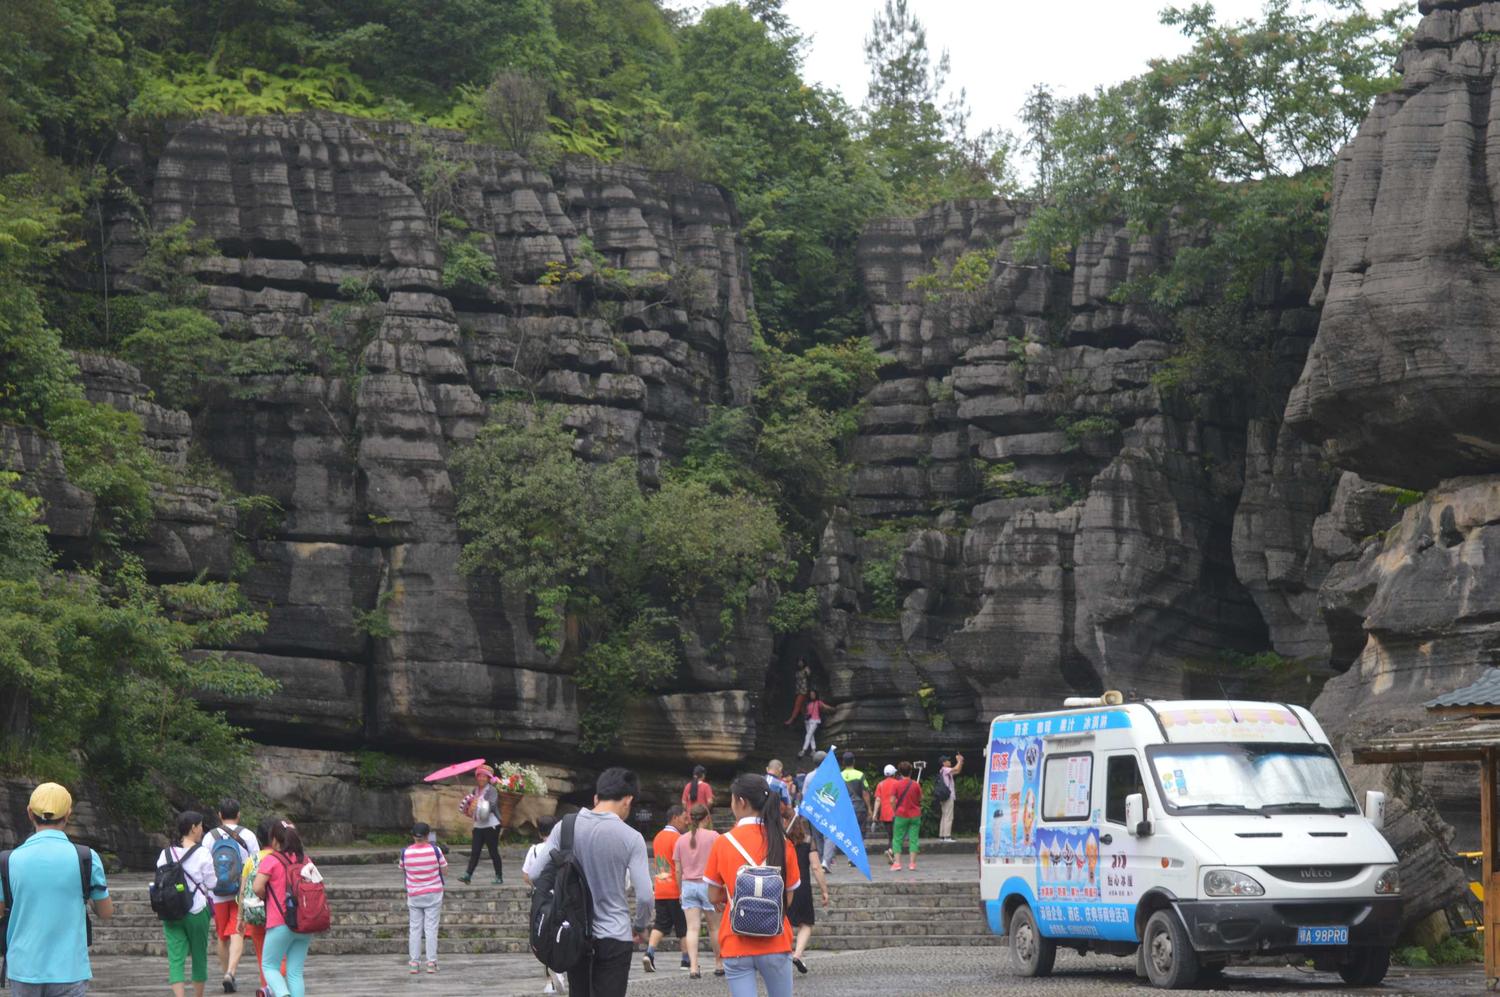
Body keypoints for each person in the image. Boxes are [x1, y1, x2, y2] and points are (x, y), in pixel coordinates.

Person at [541, 767, 653, 997]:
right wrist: (640, 927)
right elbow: (645, 896)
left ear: (596, 797)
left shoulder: (565, 827)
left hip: (575, 933)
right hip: (615, 934)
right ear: (628, 800)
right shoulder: (631, 837)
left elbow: (535, 873)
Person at [0, 782, 112, 997]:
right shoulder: (86, 857)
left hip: (24, 968)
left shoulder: (7, 861)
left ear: (30, 813)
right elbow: (105, 912)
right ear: (68, 814)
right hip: (69, 969)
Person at [703, 774, 800, 997]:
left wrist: (725, 899)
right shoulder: (783, 842)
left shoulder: (723, 842)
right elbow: (788, 898)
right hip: (776, 940)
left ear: (742, 801)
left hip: (736, 941)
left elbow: (713, 894)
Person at [158, 810, 218, 997]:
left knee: (176, 959)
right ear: (193, 828)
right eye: (200, 826)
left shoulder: (165, 853)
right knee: (199, 957)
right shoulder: (202, 853)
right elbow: (212, 883)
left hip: (171, 911)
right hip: (196, 910)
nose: (202, 830)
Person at [252, 820, 313, 997]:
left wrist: (264, 896)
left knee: (269, 966)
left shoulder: (271, 860)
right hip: (304, 923)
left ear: (274, 840)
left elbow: (257, 887)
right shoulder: (305, 859)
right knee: (295, 972)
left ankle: (282, 994)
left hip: (280, 921)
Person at [207, 798, 260, 994]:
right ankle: (231, 972)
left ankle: (227, 974)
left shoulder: (210, 837)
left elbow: (205, 866)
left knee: (222, 936)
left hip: (217, 893)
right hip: (241, 892)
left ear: (220, 815)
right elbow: (256, 863)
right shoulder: (248, 835)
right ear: (238, 815)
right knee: (238, 931)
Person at [673, 804, 722, 980]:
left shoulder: (680, 840)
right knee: (714, 927)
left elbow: (677, 870)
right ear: (706, 818)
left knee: (692, 928)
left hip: (688, 885)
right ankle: (719, 963)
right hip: (708, 885)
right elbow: (720, 863)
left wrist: (680, 890)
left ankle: (693, 967)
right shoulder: (714, 837)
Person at [643, 806, 692, 973]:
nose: (687, 822)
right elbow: (680, 867)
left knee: (660, 924)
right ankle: (686, 960)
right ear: (675, 818)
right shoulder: (678, 838)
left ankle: (649, 953)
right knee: (682, 926)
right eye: (684, 818)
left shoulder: (657, 837)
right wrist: (682, 890)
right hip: (675, 889)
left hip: (660, 887)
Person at [521, 817, 567, 995]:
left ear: (540, 832)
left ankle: (550, 980)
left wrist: (539, 887)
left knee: (544, 935)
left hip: (542, 900)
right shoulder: (561, 848)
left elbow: (527, 875)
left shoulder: (534, 850)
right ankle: (563, 970)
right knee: (562, 933)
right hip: (561, 897)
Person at [237, 818, 282, 997]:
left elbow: (242, 891)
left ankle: (266, 988)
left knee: (263, 958)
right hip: (277, 916)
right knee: (282, 956)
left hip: (255, 914)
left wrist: (240, 917)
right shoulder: (281, 858)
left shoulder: (252, 860)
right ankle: (276, 988)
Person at [398, 822, 447, 974]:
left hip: (414, 895)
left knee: (415, 929)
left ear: (413, 835)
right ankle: (431, 963)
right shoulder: (435, 850)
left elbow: (402, 868)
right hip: (433, 894)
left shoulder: (405, 852)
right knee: (431, 929)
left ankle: (414, 962)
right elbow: (445, 870)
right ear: (428, 835)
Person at [785, 818, 828, 975]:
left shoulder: (782, 842)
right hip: (802, 886)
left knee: (785, 922)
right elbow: (816, 867)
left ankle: (784, 953)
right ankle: (797, 955)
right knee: (806, 923)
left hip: (784, 886)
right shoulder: (809, 841)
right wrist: (824, 890)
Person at [824, 754, 870, 872]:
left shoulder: (838, 775)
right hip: (859, 807)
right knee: (858, 832)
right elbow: (865, 793)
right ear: (853, 761)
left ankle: (831, 859)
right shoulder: (860, 775)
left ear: (843, 762)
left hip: (843, 809)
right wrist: (869, 808)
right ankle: (853, 858)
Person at [460, 765, 502, 884]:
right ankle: (468, 875)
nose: (481, 778)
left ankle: (499, 876)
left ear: (488, 778)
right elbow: (472, 807)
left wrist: (479, 803)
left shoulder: (492, 790)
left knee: (493, 851)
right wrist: (469, 804)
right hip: (478, 825)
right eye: (479, 776)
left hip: (491, 825)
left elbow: (492, 805)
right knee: (475, 851)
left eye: (484, 776)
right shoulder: (475, 790)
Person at [890, 761, 923, 872]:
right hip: (915, 815)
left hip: (901, 814)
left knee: (897, 839)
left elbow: (892, 800)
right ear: (910, 771)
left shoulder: (896, 784)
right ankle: (912, 864)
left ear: (899, 772)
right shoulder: (916, 784)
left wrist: (895, 810)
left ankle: (897, 863)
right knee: (914, 839)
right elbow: (920, 798)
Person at [873, 764, 899, 865]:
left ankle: (891, 853)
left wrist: (875, 814)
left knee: (890, 835)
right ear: (893, 774)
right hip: (895, 813)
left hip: (884, 814)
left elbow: (878, 800)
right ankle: (891, 851)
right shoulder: (897, 783)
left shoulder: (880, 784)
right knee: (896, 836)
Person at [937, 753, 965, 842]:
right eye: (947, 760)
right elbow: (956, 768)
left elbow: (957, 771)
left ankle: (942, 835)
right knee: (949, 816)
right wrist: (959, 761)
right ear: (943, 763)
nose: (949, 761)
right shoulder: (945, 769)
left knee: (945, 815)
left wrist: (961, 762)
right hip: (948, 796)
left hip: (944, 796)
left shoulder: (944, 770)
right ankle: (947, 836)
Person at [797, 692, 828, 759]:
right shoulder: (808, 703)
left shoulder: (818, 702)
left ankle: (803, 750)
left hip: (815, 720)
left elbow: (825, 707)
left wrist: (834, 709)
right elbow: (806, 711)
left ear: (816, 695)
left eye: (813, 695)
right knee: (811, 736)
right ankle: (813, 750)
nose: (812, 696)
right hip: (808, 721)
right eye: (811, 695)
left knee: (809, 735)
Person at [782, 661, 812, 726]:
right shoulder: (797, 671)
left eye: (801, 662)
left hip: (804, 690)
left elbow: (809, 676)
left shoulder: (806, 669)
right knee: (802, 707)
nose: (800, 663)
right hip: (798, 690)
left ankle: (792, 719)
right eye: (799, 662)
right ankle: (808, 721)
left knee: (797, 705)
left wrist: (807, 670)